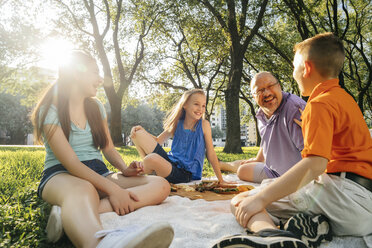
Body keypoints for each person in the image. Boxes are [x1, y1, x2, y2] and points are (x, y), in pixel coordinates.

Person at [213, 33, 372, 248]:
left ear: (306, 68)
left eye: (294, 67)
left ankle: (273, 237)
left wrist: (260, 200)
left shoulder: (318, 104)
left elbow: (315, 164)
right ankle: (311, 226)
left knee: (243, 202)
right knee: (271, 187)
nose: (294, 73)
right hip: (363, 201)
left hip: (343, 198)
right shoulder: (344, 99)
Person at [32, 51, 174, 248]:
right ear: (76, 73)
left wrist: (124, 170)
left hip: (100, 172)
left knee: (160, 185)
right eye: (95, 72)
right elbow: (71, 163)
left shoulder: (96, 108)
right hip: (60, 174)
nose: (100, 79)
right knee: (84, 188)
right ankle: (103, 243)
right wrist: (113, 190)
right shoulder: (50, 110)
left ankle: (70, 212)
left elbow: (107, 147)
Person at [130, 89, 232, 185]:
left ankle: (145, 172)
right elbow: (158, 141)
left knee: (151, 159)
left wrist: (221, 180)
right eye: (196, 104)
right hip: (169, 163)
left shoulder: (204, 125)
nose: (200, 109)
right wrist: (142, 131)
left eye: (203, 106)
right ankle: (150, 170)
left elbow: (211, 154)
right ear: (185, 105)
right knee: (137, 133)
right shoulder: (177, 123)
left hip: (185, 174)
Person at [219, 72, 306, 183]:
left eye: (270, 86)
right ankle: (222, 165)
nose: (267, 93)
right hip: (273, 172)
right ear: (254, 97)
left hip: (296, 176)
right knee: (242, 170)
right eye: (260, 91)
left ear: (279, 86)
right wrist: (258, 159)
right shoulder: (261, 114)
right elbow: (267, 139)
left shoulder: (295, 110)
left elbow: (311, 157)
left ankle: (222, 165)